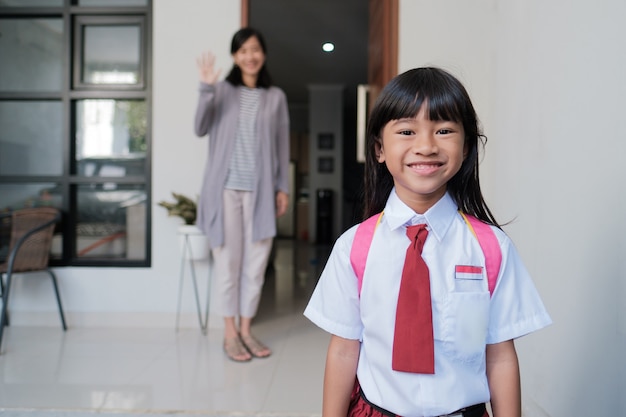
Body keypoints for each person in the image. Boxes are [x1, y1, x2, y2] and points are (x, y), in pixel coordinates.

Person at [304, 67, 551, 416]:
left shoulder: (491, 248)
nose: (426, 146)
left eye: (444, 130)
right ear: (379, 149)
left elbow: (499, 354)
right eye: (406, 131)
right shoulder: (354, 247)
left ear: (465, 148)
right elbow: (344, 349)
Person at [194, 27, 290, 362]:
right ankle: (230, 333)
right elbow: (199, 127)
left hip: (260, 192)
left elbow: (281, 145)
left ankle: (246, 330)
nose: (250, 56)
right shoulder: (221, 90)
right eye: (243, 50)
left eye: (255, 49)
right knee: (229, 263)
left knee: (256, 264)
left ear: (262, 54)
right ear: (235, 56)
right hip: (225, 190)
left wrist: (283, 187)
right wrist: (206, 88)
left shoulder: (275, 97)